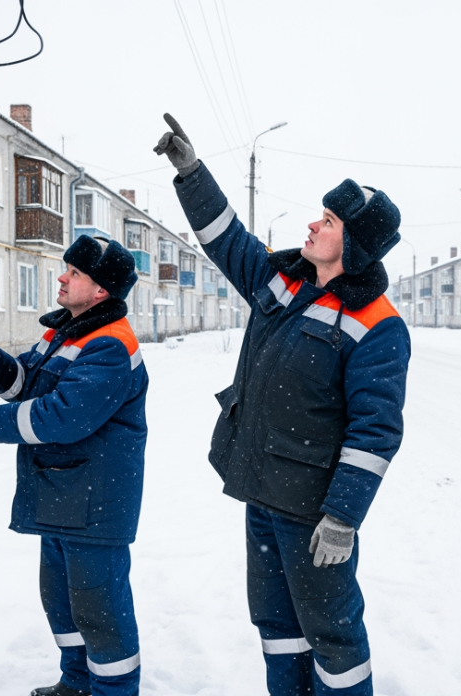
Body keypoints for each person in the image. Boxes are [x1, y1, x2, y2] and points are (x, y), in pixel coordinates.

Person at [153, 114, 410, 696]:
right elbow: (228, 241)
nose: (313, 224)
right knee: (276, 627)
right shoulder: (285, 281)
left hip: (313, 513)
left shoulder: (378, 325)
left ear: (355, 244)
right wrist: (192, 175)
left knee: (334, 638)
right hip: (262, 492)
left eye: (329, 220)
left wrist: (342, 517)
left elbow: (375, 433)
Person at [0, 236, 148, 696]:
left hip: (94, 503)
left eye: (74, 272)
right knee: (62, 604)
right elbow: (29, 383)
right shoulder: (66, 332)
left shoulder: (109, 345)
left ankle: (115, 692)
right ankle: (77, 682)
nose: (62, 277)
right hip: (64, 494)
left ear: (100, 290)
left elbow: (62, 416)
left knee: (99, 611)